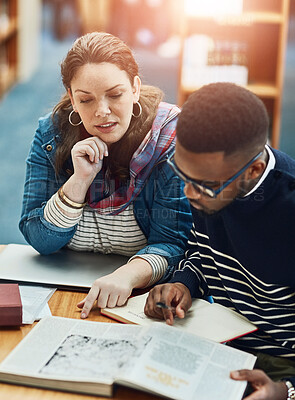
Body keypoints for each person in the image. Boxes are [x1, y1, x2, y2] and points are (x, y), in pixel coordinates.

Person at [19, 32, 192, 318]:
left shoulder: (169, 140)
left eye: (115, 95)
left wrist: (127, 275)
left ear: (135, 88)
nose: (102, 112)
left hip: (136, 293)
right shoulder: (51, 134)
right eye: (86, 100)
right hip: (62, 288)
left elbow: (174, 245)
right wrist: (78, 182)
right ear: (72, 99)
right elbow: (38, 238)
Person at [144, 82, 295, 400]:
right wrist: (183, 283)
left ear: (253, 170)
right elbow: (202, 250)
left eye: (204, 185)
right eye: (182, 173)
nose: (188, 192)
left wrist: (286, 391)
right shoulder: (208, 187)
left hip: (284, 368)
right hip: (222, 345)